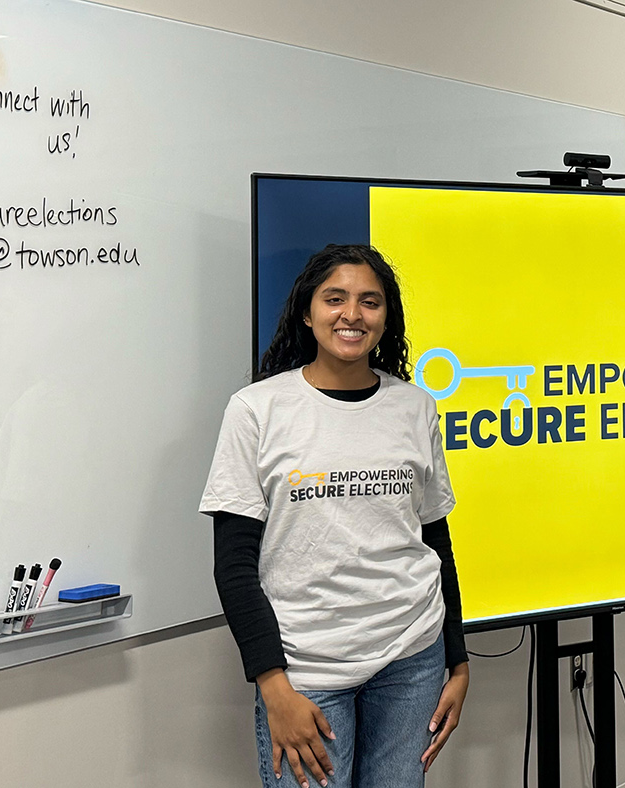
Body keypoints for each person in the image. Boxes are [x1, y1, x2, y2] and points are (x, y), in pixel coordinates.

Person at [200, 244, 468, 788]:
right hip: (306, 670)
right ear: (307, 310)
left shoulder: (415, 406)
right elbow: (233, 565)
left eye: (370, 302)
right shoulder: (256, 409)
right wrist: (274, 686)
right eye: (335, 299)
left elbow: (435, 540)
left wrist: (458, 663)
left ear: (386, 317)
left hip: (412, 658)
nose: (352, 314)